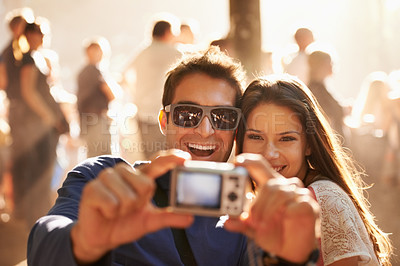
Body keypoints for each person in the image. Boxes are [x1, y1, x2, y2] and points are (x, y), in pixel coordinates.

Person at [28, 47, 320, 265]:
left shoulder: (246, 220)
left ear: (236, 130)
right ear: (164, 121)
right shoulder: (102, 177)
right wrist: (85, 242)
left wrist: (292, 258)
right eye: (188, 114)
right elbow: (43, 244)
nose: (205, 130)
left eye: (222, 117)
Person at [236, 74, 392, 265]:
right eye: (255, 137)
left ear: (308, 144)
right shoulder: (248, 200)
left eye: (286, 139)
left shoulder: (325, 198)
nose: (269, 154)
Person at [14, 18, 69, 228]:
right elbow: (28, 92)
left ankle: (41, 216)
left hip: (40, 125)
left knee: (45, 171)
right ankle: (38, 218)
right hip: (36, 126)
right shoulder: (28, 60)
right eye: (40, 33)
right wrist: (50, 117)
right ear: (30, 35)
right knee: (40, 172)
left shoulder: (36, 57)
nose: (44, 38)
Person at [124, 18, 182, 159]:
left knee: (149, 157)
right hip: (163, 112)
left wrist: (135, 94)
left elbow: (124, 74)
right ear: (168, 32)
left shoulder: (142, 52)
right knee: (166, 156)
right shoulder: (174, 53)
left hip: (142, 112)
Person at [77, 36, 115, 158]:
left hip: (86, 121)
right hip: (98, 121)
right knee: (105, 159)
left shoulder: (82, 72)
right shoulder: (95, 71)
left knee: (92, 159)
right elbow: (111, 94)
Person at [307, 49, 345, 138]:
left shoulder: (322, 88)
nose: (332, 66)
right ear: (320, 65)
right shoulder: (315, 90)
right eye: (329, 63)